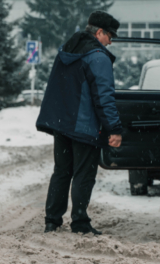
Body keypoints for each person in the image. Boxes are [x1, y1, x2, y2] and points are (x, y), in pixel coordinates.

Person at [36, 11, 123, 235]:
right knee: (84, 174)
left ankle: (52, 221)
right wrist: (114, 128)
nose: (111, 41)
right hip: (84, 126)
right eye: (110, 35)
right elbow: (104, 97)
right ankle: (80, 223)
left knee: (62, 171)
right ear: (99, 32)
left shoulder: (67, 49)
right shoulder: (97, 57)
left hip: (62, 123)